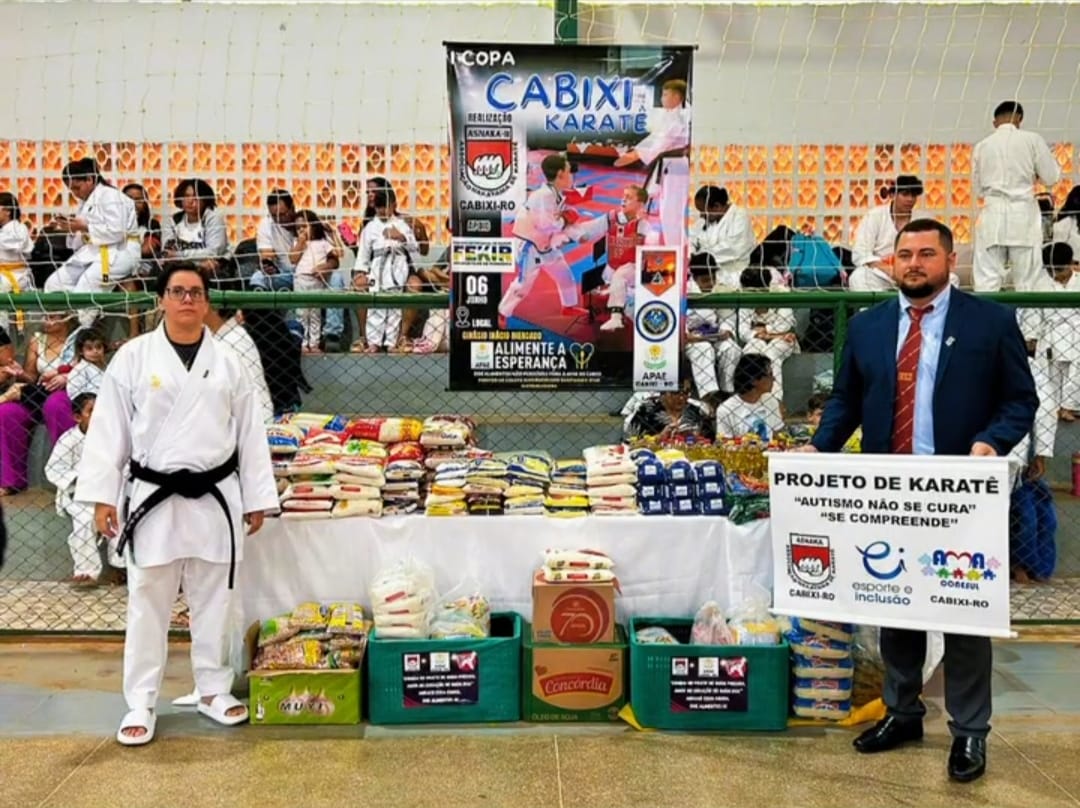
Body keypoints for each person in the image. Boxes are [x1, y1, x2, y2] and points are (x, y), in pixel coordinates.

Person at [806, 219, 1038, 783]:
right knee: (895, 604)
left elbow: (1020, 400)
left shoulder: (990, 322)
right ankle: (902, 712)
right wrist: (816, 450)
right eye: (905, 253)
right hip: (890, 493)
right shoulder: (868, 326)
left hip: (959, 496)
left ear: (950, 260)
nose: (914, 263)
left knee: (964, 611)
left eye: (926, 253)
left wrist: (992, 441)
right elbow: (846, 401)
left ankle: (970, 731)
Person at [75, 263, 278, 746]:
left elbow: (250, 433)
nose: (187, 299)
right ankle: (140, 701)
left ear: (206, 302)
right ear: (161, 299)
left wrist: (257, 497)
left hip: (215, 494)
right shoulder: (133, 357)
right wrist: (103, 496)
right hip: (154, 495)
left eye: (196, 292)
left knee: (216, 599)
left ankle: (213, 689)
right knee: (148, 600)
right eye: (177, 291)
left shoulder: (228, 361)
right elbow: (109, 429)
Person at [972, 101, 1060, 292]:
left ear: (995, 122)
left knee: (987, 279)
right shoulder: (1032, 140)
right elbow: (1051, 177)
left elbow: (978, 189)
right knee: (1027, 281)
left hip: (992, 215)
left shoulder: (982, 146)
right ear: (1020, 118)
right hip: (1023, 216)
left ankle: (986, 312)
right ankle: (1027, 313)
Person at [46, 393, 122, 586]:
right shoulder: (69, 440)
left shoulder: (113, 438)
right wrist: (81, 479)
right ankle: (86, 571)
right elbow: (54, 468)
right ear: (78, 417)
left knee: (119, 516)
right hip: (78, 495)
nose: (98, 415)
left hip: (108, 491)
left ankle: (119, 565)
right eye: (91, 411)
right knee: (84, 521)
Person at [43, 158, 139, 309]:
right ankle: (60, 320)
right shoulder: (85, 203)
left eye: (77, 188)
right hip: (92, 252)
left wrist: (84, 226)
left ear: (90, 179)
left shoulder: (111, 195)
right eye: (71, 190)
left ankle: (82, 323)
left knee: (85, 289)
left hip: (120, 251)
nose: (75, 194)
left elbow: (117, 232)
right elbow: (81, 237)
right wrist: (69, 228)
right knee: (54, 283)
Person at [598, 185, 660, 332]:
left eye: (629, 197)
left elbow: (654, 249)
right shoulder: (612, 219)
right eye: (623, 196)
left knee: (622, 279)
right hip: (614, 270)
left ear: (640, 204)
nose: (624, 199)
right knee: (619, 283)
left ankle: (617, 318)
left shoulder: (643, 225)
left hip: (634, 269)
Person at [849, 176, 924, 292]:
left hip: (915, 272)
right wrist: (888, 269)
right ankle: (878, 305)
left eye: (913, 195)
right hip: (882, 273)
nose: (910, 199)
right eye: (905, 194)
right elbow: (861, 252)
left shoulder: (924, 219)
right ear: (893, 195)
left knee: (950, 278)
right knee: (859, 277)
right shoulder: (875, 216)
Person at [714, 353, 785, 441]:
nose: (773, 379)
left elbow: (778, 436)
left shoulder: (771, 401)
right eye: (769, 375)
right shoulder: (726, 410)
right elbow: (724, 443)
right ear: (753, 380)